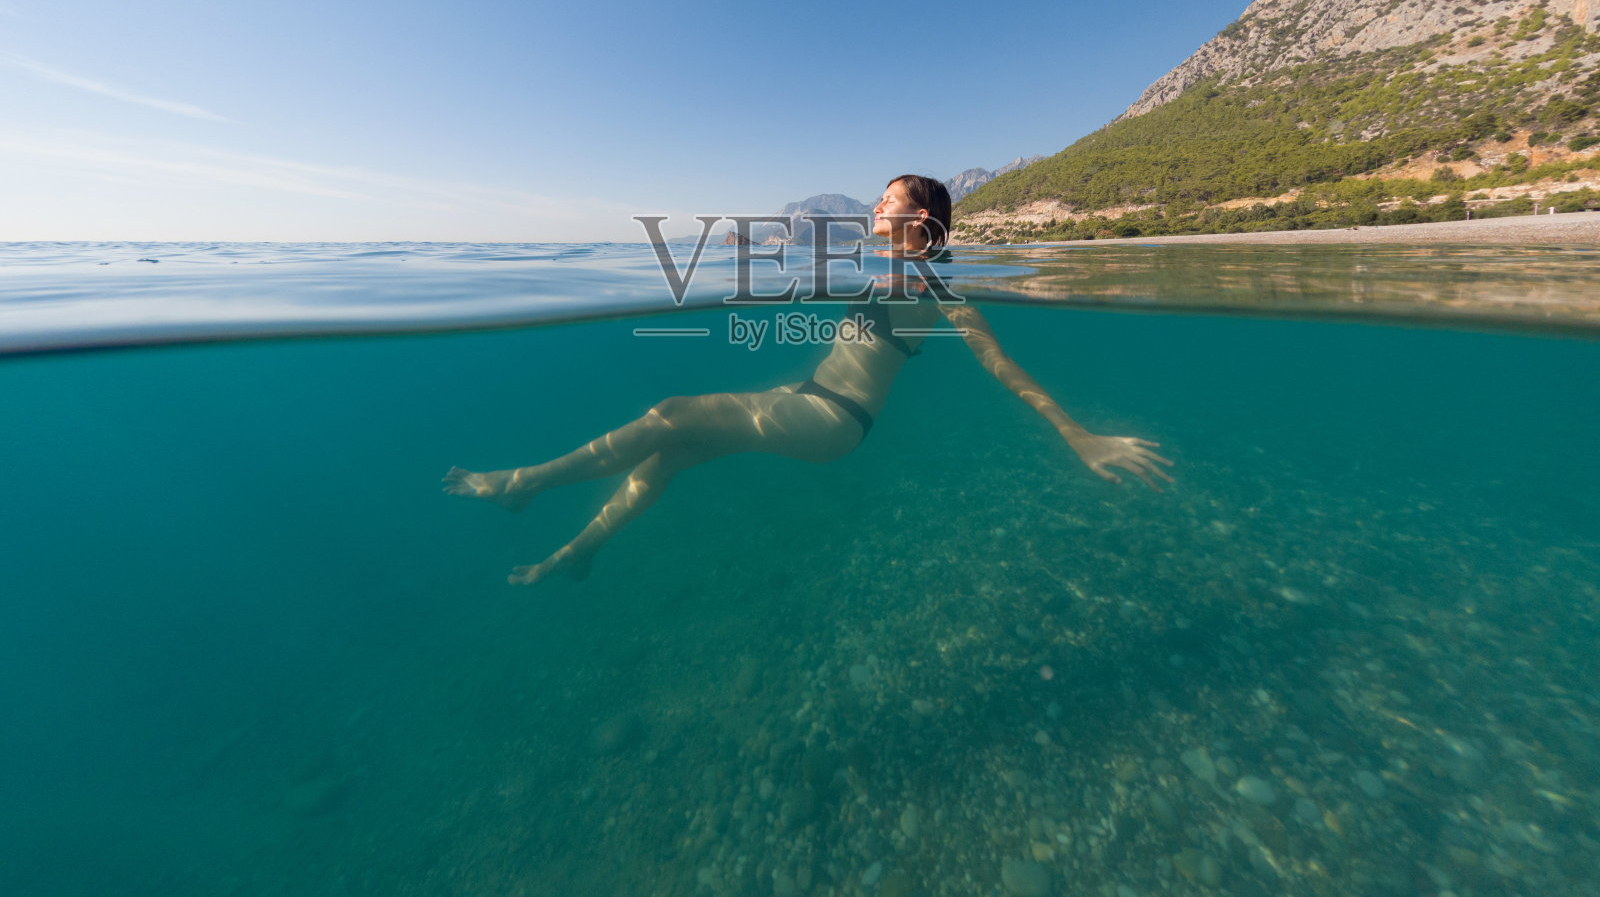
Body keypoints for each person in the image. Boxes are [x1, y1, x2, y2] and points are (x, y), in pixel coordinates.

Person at [444, 174, 1172, 586]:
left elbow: (999, 365)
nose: (871, 208)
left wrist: (1079, 437)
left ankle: (526, 482)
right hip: (805, 405)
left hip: (832, 422)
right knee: (670, 452)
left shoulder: (936, 286)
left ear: (916, 218)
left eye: (883, 202)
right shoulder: (877, 265)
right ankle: (579, 553)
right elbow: (803, 268)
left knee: (671, 410)